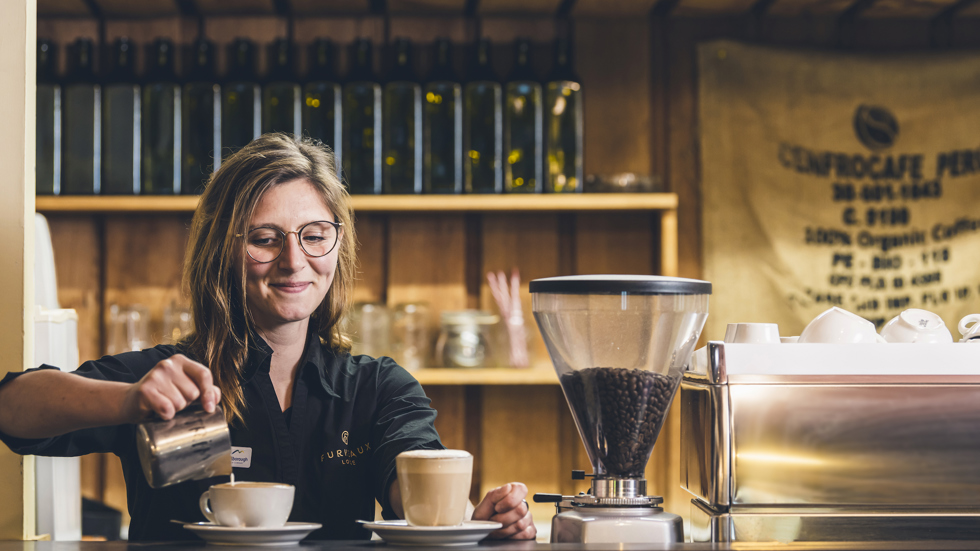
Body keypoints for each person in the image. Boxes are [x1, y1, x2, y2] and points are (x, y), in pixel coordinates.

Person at [0, 133, 536, 542]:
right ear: (222, 250)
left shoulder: (377, 389)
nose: (294, 261)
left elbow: (413, 491)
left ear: (337, 244)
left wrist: (472, 520)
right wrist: (129, 399)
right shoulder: (171, 380)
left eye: (314, 236)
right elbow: (12, 408)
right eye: (264, 239)